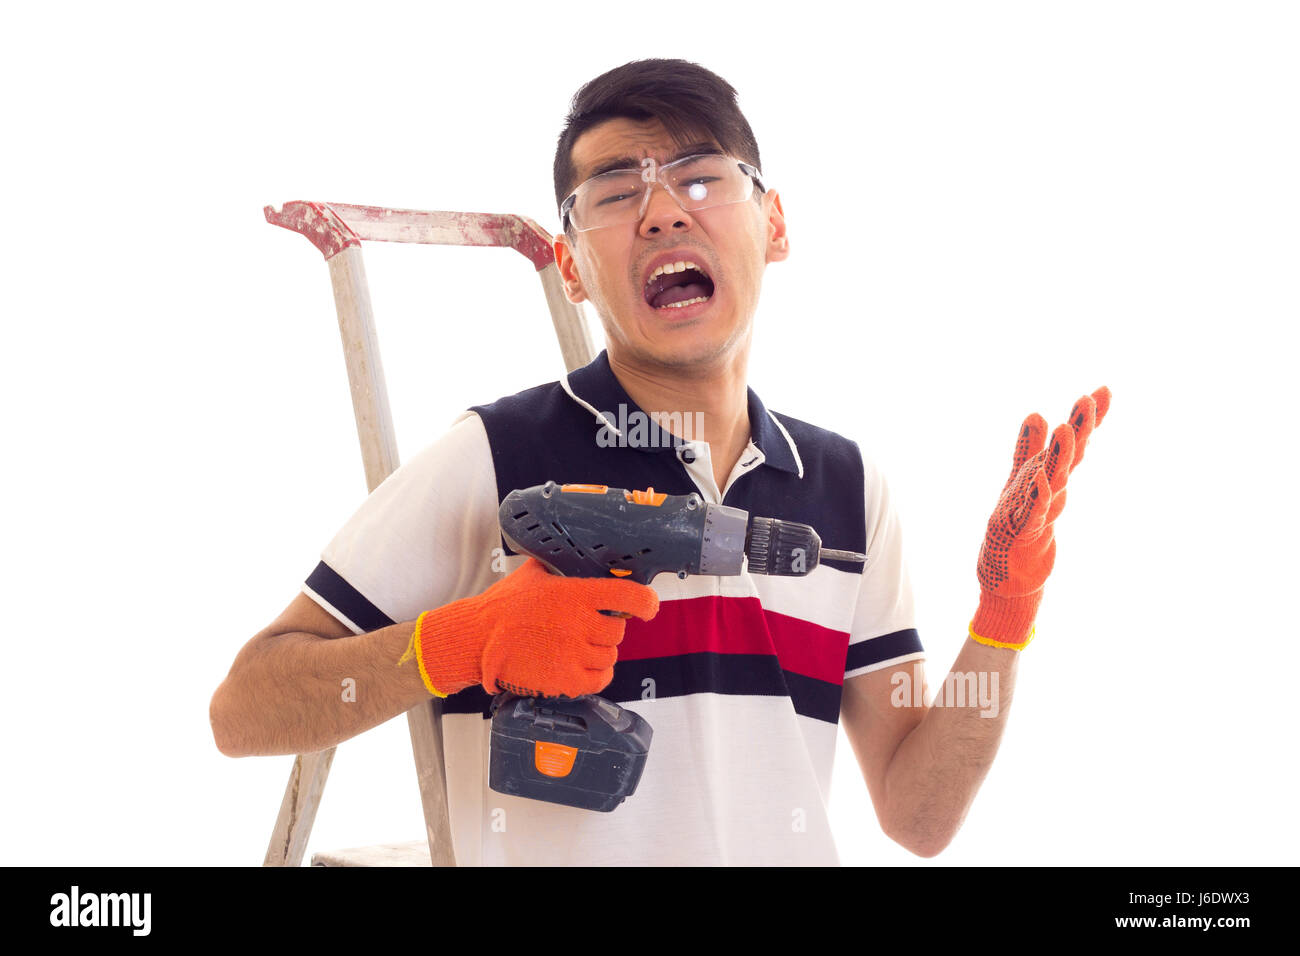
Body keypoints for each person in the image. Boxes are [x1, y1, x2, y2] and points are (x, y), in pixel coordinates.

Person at [209, 58, 1110, 865]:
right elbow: (243, 709)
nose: (663, 209)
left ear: (776, 225)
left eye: (702, 176)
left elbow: (921, 816)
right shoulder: (496, 459)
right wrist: (459, 642)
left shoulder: (848, 491)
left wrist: (1002, 619)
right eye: (613, 192)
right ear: (569, 266)